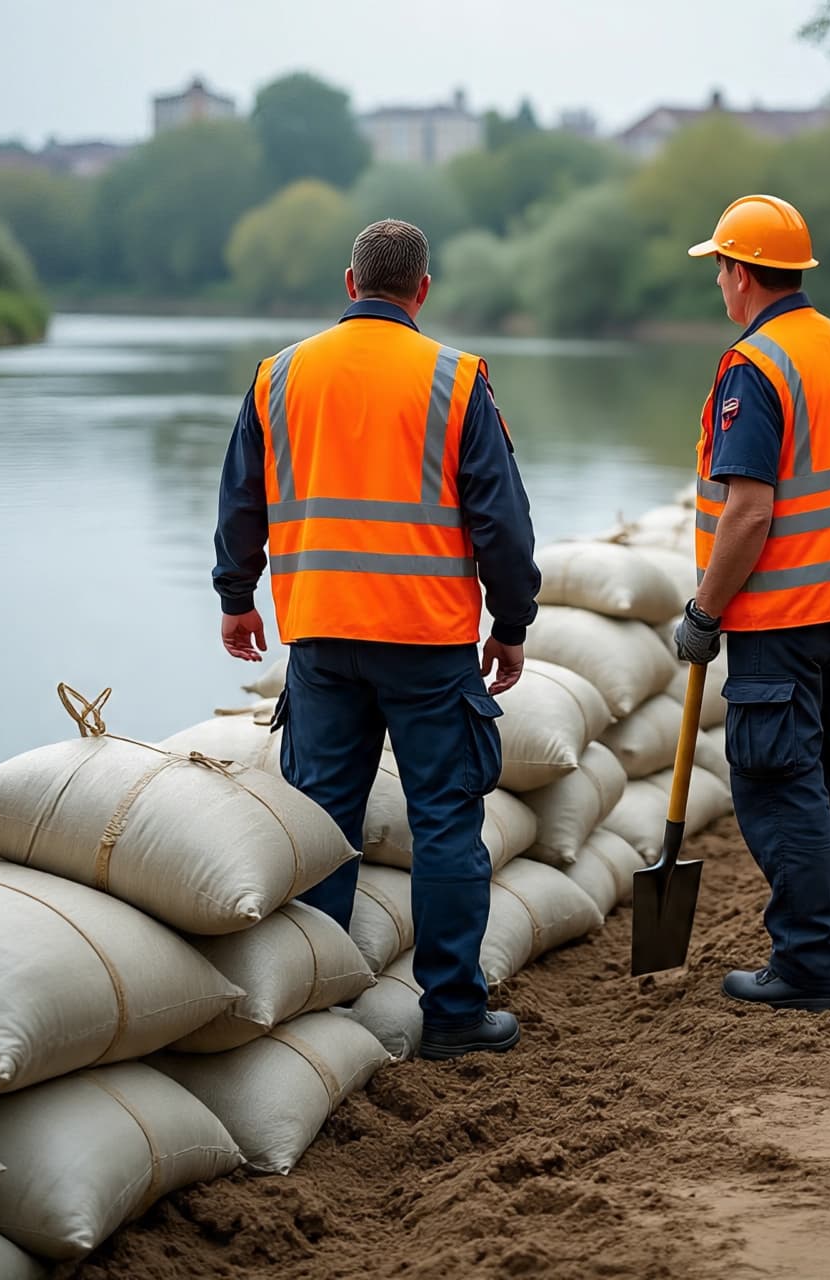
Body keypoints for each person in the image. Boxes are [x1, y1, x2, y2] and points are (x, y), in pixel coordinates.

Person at [212, 219, 541, 1059]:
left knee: (323, 823)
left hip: (320, 637)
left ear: (348, 282)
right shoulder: (456, 379)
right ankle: (455, 1015)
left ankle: (318, 1018)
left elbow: (240, 498)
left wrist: (236, 596)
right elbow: (502, 522)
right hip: (427, 641)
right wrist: (510, 624)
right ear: (421, 290)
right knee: (444, 824)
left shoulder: (278, 375)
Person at [675, 194, 830, 1012]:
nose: (720, 287)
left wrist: (703, 611)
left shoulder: (755, 365)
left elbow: (752, 508)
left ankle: (807, 964)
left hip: (781, 614)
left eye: (720, 270)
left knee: (777, 780)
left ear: (740, 273)